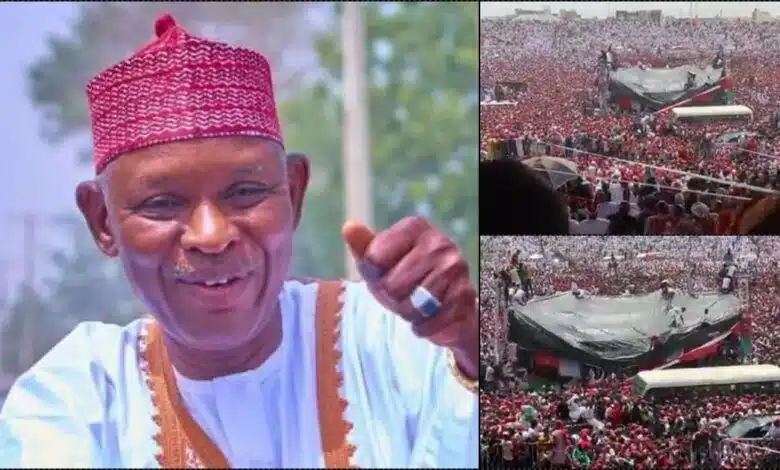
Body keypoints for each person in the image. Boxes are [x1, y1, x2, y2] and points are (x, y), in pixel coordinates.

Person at [0, 15, 478, 468]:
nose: (211, 236)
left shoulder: (394, 343)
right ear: (103, 221)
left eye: (245, 192)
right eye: (163, 203)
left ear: (293, 192)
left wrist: (473, 343)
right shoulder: (76, 396)